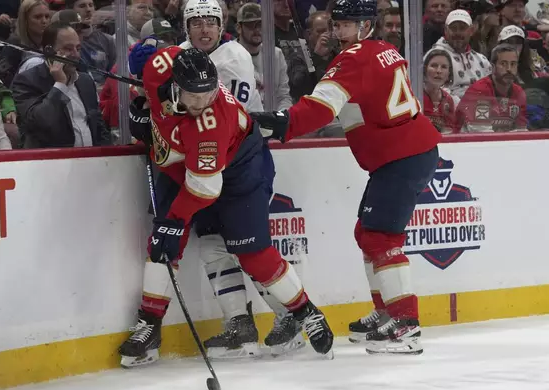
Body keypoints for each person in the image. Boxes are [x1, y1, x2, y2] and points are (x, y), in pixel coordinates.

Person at [118, 46, 333, 367]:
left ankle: (305, 312)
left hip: (236, 169)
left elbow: (205, 187)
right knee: (162, 244)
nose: (202, 103)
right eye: (193, 95)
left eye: (208, 95)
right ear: (175, 85)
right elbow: (147, 59)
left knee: (252, 251)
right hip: (177, 166)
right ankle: (149, 324)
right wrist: (144, 101)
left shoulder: (212, 124)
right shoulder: (161, 67)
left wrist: (176, 218)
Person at [251, 0, 441, 355]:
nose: (339, 31)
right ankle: (385, 312)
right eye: (338, 24)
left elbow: (323, 108)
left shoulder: (352, 59)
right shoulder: (384, 50)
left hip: (401, 157)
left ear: (367, 26)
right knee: (367, 233)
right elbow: (357, 91)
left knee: (381, 236)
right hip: (407, 152)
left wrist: (284, 122)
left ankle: (405, 324)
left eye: (349, 25)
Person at [455, 44, 527, 132]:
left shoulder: (519, 92)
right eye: (503, 64)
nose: (509, 69)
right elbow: (481, 133)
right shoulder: (479, 90)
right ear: (492, 67)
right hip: (464, 143)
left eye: (513, 64)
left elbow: (522, 130)